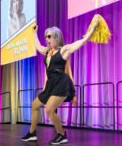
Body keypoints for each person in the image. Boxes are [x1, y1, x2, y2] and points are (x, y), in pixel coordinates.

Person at [21, 16, 99, 145]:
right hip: (51, 84)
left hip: (61, 82)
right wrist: (34, 33)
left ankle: (62, 135)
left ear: (56, 37)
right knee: (35, 105)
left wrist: (94, 27)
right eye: (46, 37)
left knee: (50, 109)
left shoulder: (63, 50)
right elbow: (38, 46)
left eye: (49, 36)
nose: (47, 39)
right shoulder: (47, 52)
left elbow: (83, 41)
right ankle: (32, 133)